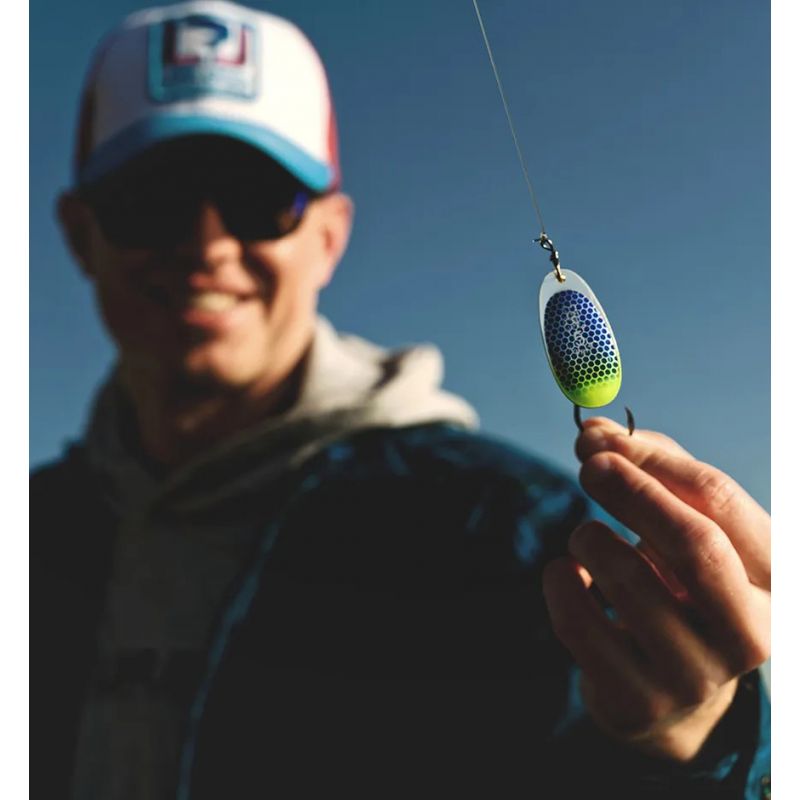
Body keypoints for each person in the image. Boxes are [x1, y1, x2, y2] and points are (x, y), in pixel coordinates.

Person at [30, 1, 770, 798]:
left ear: (328, 236)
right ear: (79, 233)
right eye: (152, 199)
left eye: (255, 199)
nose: (207, 247)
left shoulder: (517, 533)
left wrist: (703, 743)